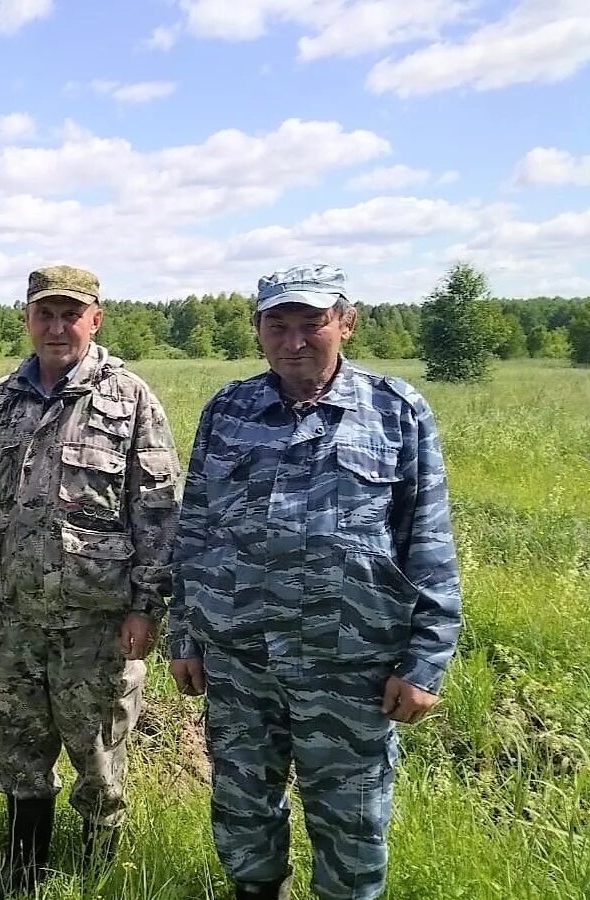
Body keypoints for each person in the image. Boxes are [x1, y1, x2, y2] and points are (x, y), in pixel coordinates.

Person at [168, 264, 462, 900]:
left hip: (349, 662)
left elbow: (429, 540)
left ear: (346, 324)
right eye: (278, 325)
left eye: (312, 324)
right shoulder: (229, 408)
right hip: (240, 656)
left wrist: (424, 664)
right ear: (259, 330)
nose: (294, 341)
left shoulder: (396, 410)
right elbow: (195, 529)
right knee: (243, 806)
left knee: (351, 823)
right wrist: (185, 635)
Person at [0, 265, 180, 897]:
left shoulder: (129, 399)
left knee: (98, 752)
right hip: (14, 615)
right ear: (27, 318)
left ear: (94, 319)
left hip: (95, 623)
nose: (56, 327)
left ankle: (102, 872)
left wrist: (146, 607)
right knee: (17, 748)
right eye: (44, 314)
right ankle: (23, 872)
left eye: (69, 314)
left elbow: (157, 512)